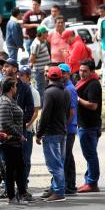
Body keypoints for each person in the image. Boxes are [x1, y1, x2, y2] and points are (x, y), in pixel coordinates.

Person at [36, 66, 71, 202]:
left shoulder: (49, 92)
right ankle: (57, 189)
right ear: (60, 77)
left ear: (48, 77)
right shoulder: (66, 91)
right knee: (59, 163)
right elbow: (68, 113)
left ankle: (59, 192)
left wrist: (39, 133)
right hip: (62, 131)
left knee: (54, 164)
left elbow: (45, 115)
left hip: (51, 133)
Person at [0, 78, 27, 205]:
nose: (16, 88)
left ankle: (19, 195)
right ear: (11, 88)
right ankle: (12, 197)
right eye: (15, 86)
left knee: (17, 169)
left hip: (14, 142)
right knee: (12, 170)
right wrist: (19, 135)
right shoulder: (4, 102)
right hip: (9, 142)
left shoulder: (9, 101)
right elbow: (5, 123)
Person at [75, 60, 102, 193]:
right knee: (89, 155)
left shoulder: (93, 85)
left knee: (90, 155)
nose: (82, 73)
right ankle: (89, 181)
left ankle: (92, 183)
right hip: (85, 125)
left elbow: (93, 105)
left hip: (89, 126)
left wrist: (78, 99)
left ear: (92, 72)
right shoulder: (83, 83)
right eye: (80, 70)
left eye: (85, 71)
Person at [18, 65, 40, 191]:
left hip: (27, 130)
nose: (19, 77)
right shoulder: (17, 89)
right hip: (17, 129)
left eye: (22, 75)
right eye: (19, 74)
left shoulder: (33, 92)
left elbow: (35, 112)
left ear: (28, 77)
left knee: (26, 158)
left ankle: (24, 183)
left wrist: (27, 124)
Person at [59, 63, 78, 195]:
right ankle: (70, 185)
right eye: (60, 72)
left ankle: (69, 185)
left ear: (69, 74)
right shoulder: (65, 87)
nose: (61, 75)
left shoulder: (69, 89)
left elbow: (71, 112)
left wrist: (64, 126)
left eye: (64, 72)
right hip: (68, 127)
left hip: (69, 128)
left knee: (66, 157)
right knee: (68, 157)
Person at [30, 26, 50, 98]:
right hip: (40, 71)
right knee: (40, 90)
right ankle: (41, 107)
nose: (48, 34)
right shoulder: (36, 44)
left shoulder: (43, 41)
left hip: (44, 70)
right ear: (42, 34)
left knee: (44, 89)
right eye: (46, 33)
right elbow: (32, 59)